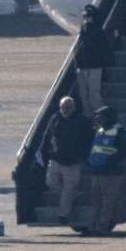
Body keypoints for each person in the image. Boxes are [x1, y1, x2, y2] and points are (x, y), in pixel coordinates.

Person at [41, 96, 93, 226]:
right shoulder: (55, 119)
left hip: (73, 161)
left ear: (74, 108)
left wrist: (84, 156)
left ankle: (63, 215)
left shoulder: (82, 121)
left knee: (68, 189)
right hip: (56, 158)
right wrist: (45, 151)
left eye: (68, 107)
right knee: (51, 183)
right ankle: (71, 198)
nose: (66, 110)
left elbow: (88, 140)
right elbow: (47, 135)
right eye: (63, 107)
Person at [84, 106, 126, 237]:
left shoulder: (119, 131)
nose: (98, 119)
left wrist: (110, 161)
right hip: (97, 171)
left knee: (108, 202)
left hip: (111, 173)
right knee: (96, 201)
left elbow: (124, 150)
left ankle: (102, 226)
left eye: (101, 117)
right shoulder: (100, 130)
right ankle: (93, 225)